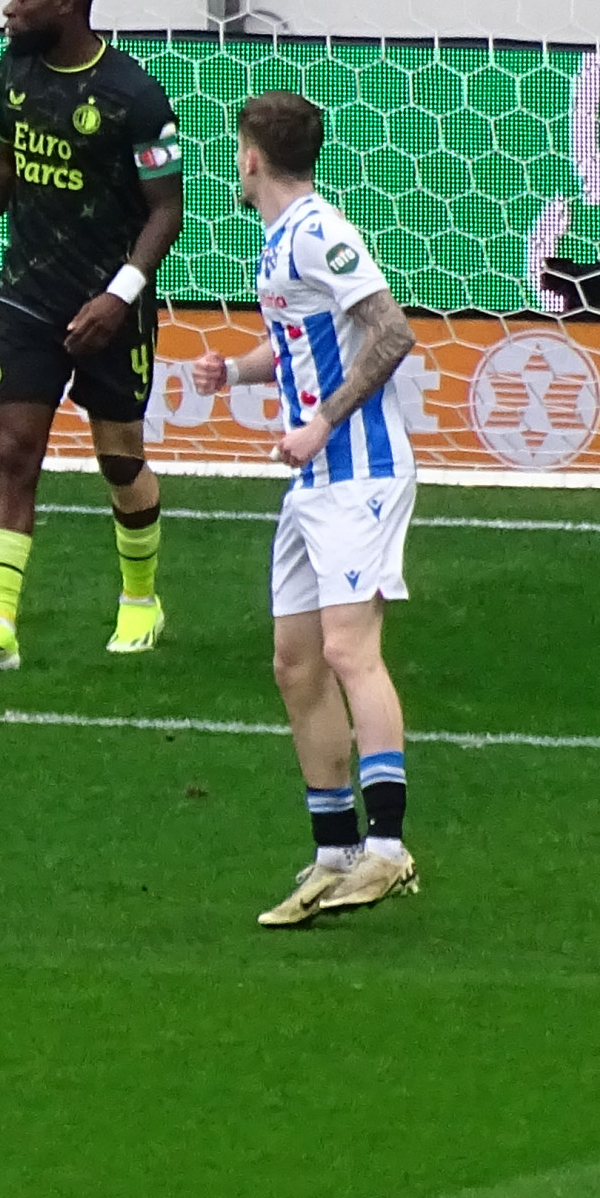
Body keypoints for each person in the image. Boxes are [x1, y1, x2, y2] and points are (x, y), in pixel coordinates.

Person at [187, 94, 422, 927]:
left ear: (252, 157)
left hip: (359, 472)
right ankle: (334, 854)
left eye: (237, 149)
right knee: (295, 663)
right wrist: (235, 372)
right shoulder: (283, 240)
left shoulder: (320, 232)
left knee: (349, 651)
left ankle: (388, 849)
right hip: (314, 483)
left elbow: (392, 333)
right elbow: (301, 343)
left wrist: (321, 422)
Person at [0, 0, 184, 672]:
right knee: (16, 453)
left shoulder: (136, 97)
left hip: (111, 304)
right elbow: (6, 159)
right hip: (26, 295)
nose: (8, 9)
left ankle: (140, 599)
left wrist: (118, 296)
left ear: (66, 3)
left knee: (120, 461)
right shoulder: (13, 70)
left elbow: (165, 210)